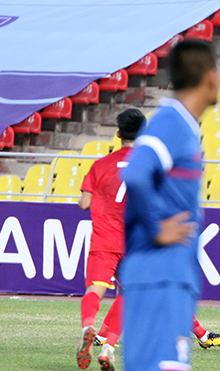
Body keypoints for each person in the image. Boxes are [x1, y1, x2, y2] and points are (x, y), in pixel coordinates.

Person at [120, 39, 219, 371]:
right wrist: (156, 228)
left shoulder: (181, 125)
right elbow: (135, 173)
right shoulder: (171, 123)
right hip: (159, 276)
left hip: (166, 276)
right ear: (211, 78)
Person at [77, 108, 145, 371]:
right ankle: (108, 347)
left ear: (118, 133)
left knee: (95, 288)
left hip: (104, 239)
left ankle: (88, 326)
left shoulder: (100, 165)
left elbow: (84, 203)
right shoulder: (148, 166)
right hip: (134, 243)